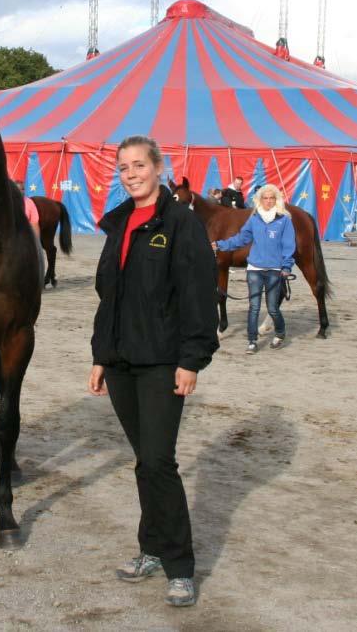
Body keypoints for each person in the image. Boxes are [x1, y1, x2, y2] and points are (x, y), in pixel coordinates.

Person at [88, 135, 219, 608]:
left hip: (163, 362)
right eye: (123, 167)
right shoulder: (119, 223)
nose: (131, 174)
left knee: (160, 461)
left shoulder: (181, 224)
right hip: (122, 362)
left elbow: (198, 296)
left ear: (159, 167)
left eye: (139, 165)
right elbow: (109, 298)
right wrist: (101, 356)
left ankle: (180, 565)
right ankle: (150, 548)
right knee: (145, 459)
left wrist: (191, 361)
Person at [212, 184, 296, 353]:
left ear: (276, 200)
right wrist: (219, 245)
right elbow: (241, 239)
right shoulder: (255, 219)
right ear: (260, 200)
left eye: (272, 198)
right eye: (265, 198)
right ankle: (252, 341)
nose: (269, 201)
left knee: (272, 307)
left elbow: (288, 245)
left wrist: (286, 266)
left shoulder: (284, 220)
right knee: (254, 307)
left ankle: (280, 332)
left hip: (274, 270)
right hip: (254, 270)